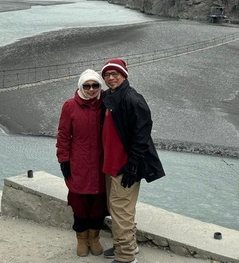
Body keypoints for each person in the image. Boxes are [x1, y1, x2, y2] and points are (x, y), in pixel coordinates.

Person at [100, 59, 164, 263]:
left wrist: (132, 166)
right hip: (111, 165)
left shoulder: (132, 99)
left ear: (124, 75)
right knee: (118, 210)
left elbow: (142, 137)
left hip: (124, 167)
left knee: (121, 213)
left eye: (115, 74)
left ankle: (126, 257)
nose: (111, 77)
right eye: (107, 74)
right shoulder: (110, 97)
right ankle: (126, 246)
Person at [57, 69, 107, 257]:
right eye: (87, 85)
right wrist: (63, 159)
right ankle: (81, 238)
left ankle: (94, 238)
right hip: (79, 163)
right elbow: (63, 135)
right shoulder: (69, 106)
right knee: (79, 202)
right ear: (80, 86)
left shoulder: (106, 103)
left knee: (98, 203)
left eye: (95, 85)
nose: (91, 89)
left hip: (101, 164)